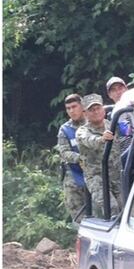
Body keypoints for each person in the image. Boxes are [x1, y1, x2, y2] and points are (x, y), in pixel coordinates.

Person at [76, 95, 122, 218]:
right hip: (97, 178)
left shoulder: (112, 125)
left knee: (128, 208)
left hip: (116, 177)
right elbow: (89, 140)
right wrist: (101, 139)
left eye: (98, 108)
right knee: (112, 208)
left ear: (103, 109)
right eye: (91, 110)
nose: (96, 112)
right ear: (85, 113)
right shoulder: (82, 131)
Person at [55, 94, 89, 222]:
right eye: (68, 108)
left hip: (96, 173)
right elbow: (64, 152)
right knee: (78, 215)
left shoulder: (93, 123)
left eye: (74, 107)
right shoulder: (65, 129)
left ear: (82, 106)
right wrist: (81, 158)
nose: (71, 111)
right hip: (74, 175)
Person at [105, 76, 134, 155]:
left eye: (120, 88)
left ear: (126, 89)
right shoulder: (110, 117)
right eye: (114, 90)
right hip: (125, 155)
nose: (118, 92)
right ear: (109, 95)